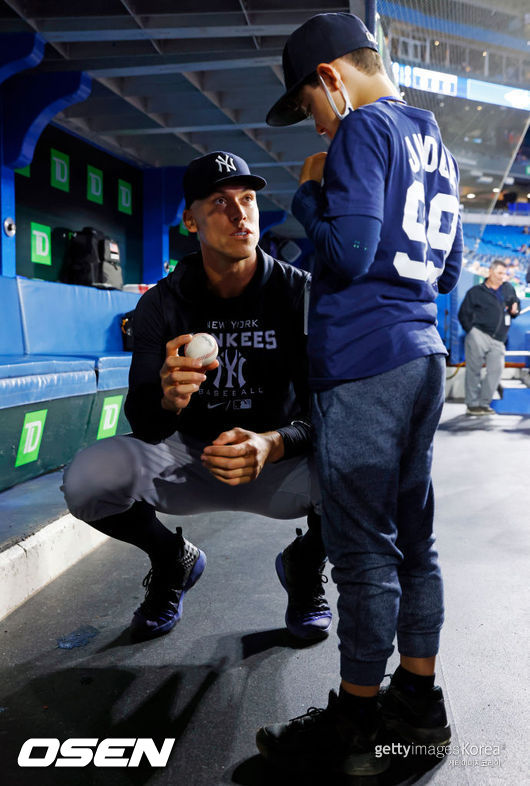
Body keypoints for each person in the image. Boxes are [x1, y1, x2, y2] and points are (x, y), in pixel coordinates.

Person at [256, 12, 463, 777]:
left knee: (363, 553)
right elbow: (445, 272)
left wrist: (310, 195)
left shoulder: (361, 131)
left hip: (364, 361)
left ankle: (358, 724)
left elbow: (346, 252)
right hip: (421, 355)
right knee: (416, 543)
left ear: (332, 78)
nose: (314, 124)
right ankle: (418, 705)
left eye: (309, 104)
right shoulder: (430, 136)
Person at [62, 150, 331, 643]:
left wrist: (274, 442)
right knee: (87, 479)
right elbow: (143, 424)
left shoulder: (301, 294)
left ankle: (305, 565)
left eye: (247, 199)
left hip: (277, 458)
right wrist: (166, 399)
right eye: (219, 202)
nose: (240, 213)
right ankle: (172, 563)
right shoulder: (161, 303)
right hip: (189, 456)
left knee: (371, 472)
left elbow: (329, 411)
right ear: (191, 220)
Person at [458, 260, 520, 415]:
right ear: (490, 272)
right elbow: (463, 313)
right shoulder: (476, 292)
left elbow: (515, 304)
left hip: (499, 339)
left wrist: (515, 309)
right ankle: (472, 405)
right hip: (479, 335)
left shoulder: (508, 288)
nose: (502, 277)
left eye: (504, 274)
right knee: (474, 371)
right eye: (499, 273)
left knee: (496, 371)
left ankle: (484, 404)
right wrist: (471, 331)